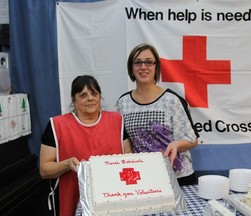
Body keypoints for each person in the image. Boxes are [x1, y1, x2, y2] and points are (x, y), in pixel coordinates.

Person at [39, 75, 132, 216]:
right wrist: (66, 164)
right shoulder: (56, 125)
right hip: (70, 200)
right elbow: (44, 170)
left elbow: (129, 159)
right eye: (83, 95)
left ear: (100, 97)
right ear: (73, 100)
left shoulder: (117, 121)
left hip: (114, 202)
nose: (90, 98)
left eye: (94, 93)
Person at [116, 43, 200, 186]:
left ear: (156, 68)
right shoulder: (122, 103)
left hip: (178, 178)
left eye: (149, 62)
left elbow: (193, 140)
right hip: (144, 179)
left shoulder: (172, 100)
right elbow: (124, 143)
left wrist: (176, 145)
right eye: (137, 62)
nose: (143, 67)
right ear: (131, 68)